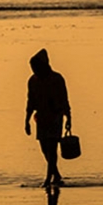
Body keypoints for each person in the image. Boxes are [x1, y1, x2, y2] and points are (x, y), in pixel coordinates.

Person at [25, 48, 72, 188]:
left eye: (36, 67)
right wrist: (26, 121)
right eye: (32, 67)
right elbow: (30, 101)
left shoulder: (57, 79)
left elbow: (64, 99)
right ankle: (56, 174)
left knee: (52, 149)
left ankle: (48, 178)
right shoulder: (32, 81)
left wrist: (68, 118)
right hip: (41, 118)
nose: (34, 70)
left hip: (55, 117)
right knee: (44, 149)